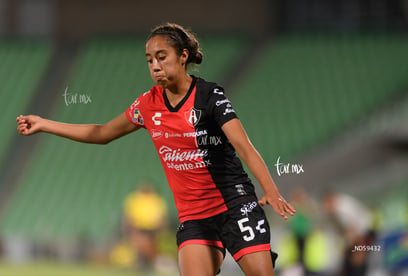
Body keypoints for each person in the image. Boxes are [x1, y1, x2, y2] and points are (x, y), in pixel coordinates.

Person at [16, 22, 296, 275]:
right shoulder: (147, 105)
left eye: (162, 57)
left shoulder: (210, 96)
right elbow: (101, 133)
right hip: (194, 217)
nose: (155, 66)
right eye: (150, 60)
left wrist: (270, 189)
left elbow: (243, 146)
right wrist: (45, 124)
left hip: (235, 206)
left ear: (183, 56)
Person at [122, 183, 168, 270]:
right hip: (139, 227)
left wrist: (160, 225)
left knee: (152, 247)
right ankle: (141, 262)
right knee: (140, 245)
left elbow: (161, 216)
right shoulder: (134, 199)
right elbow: (129, 215)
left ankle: (150, 263)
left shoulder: (157, 199)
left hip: (153, 228)